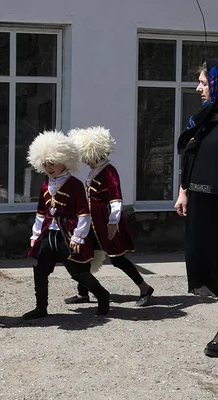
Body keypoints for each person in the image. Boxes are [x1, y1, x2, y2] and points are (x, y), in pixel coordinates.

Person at [22, 130, 110, 320]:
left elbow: (84, 213)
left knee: (77, 272)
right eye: (45, 164)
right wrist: (35, 235)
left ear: (65, 160)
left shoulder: (75, 184)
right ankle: (41, 308)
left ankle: (103, 295)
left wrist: (79, 236)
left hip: (68, 234)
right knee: (40, 270)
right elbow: (41, 212)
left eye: (52, 163)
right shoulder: (45, 185)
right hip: (49, 234)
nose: (48, 167)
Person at [64, 126, 154, 307]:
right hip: (91, 220)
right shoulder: (95, 169)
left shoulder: (109, 171)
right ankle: (83, 293)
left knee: (117, 259)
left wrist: (113, 222)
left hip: (105, 221)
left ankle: (145, 288)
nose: (84, 160)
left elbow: (116, 199)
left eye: (85, 155)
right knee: (84, 254)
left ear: (95, 152)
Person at [175, 60, 218, 357]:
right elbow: (189, 155)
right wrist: (183, 191)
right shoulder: (206, 118)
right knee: (208, 266)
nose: (198, 88)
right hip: (203, 205)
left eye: (203, 82)